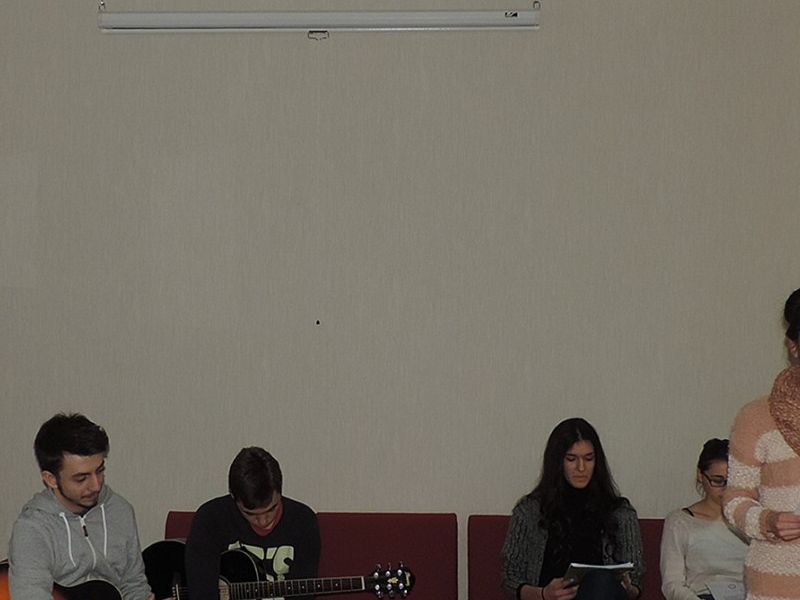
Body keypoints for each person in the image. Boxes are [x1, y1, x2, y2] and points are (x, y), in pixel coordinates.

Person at [8, 413, 153, 600]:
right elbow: (30, 594)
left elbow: (133, 583)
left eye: (99, 471)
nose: (96, 485)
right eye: (81, 478)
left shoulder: (120, 510)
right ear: (51, 479)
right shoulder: (32, 528)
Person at [501, 418, 644, 600]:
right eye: (571, 459)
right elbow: (510, 578)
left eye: (588, 459)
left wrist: (626, 588)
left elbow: (636, 579)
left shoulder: (620, 512)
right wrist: (543, 594)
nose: (581, 468)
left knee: (600, 583)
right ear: (557, 462)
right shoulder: (529, 511)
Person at [723, 288, 800, 600]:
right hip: (776, 583)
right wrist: (768, 521)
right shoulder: (756, 417)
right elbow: (734, 500)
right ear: (794, 346)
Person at [185, 447, 320, 600]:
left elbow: (303, 595)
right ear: (233, 496)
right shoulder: (210, 519)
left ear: (280, 491)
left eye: (272, 509)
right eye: (250, 514)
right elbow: (201, 591)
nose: (263, 521)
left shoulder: (303, 521)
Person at [660, 439, 748, 600]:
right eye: (718, 481)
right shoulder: (680, 522)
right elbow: (672, 584)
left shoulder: (752, 520)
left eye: (733, 482)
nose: (726, 489)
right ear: (700, 475)